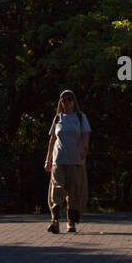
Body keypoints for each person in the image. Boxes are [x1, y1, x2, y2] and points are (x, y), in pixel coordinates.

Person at [44, 89, 91, 234]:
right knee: (57, 188)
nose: (66, 102)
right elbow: (52, 139)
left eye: (69, 99)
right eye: (63, 100)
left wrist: (84, 149)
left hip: (75, 160)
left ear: (74, 101)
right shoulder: (58, 118)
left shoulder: (80, 117)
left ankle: (71, 222)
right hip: (59, 159)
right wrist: (48, 159)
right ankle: (55, 220)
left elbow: (86, 135)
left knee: (74, 191)